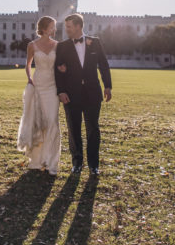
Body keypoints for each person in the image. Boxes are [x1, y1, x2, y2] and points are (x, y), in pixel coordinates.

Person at [54, 13, 112, 176]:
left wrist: (107, 86)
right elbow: (57, 71)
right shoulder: (62, 46)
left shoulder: (95, 42)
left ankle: (94, 165)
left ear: (79, 26)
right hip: (71, 95)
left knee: (93, 129)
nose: (66, 30)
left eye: (69, 26)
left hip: (93, 93)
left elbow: (104, 65)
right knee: (74, 130)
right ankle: (77, 163)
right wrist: (61, 91)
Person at [17, 16, 61, 175]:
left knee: (52, 122)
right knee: (38, 122)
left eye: (54, 26)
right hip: (38, 85)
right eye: (52, 26)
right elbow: (27, 65)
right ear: (44, 27)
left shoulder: (58, 45)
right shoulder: (32, 45)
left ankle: (51, 162)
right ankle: (37, 160)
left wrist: (62, 69)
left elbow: (61, 65)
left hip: (53, 87)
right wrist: (29, 78)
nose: (54, 29)